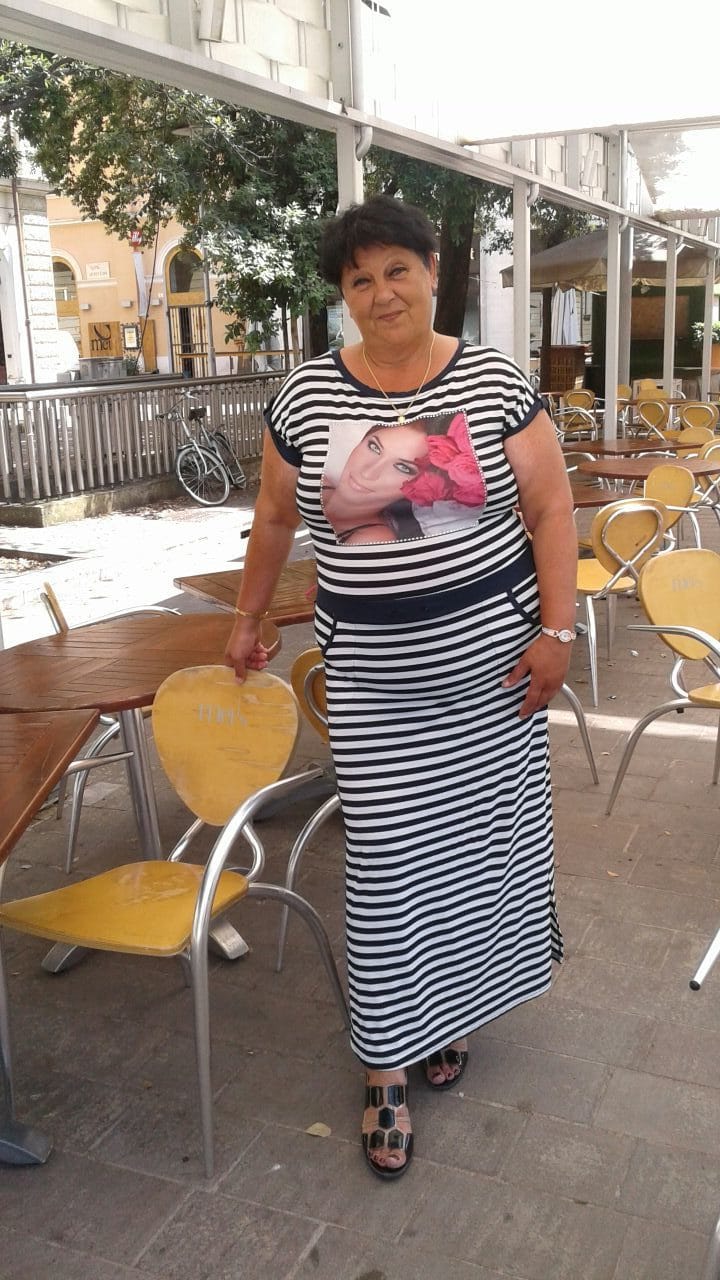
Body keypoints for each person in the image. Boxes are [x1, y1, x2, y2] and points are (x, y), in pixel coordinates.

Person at [224, 193, 578, 1182]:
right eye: (359, 279)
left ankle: (448, 1012)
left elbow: (552, 508)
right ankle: (385, 1060)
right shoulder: (307, 395)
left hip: (493, 676)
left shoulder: (493, 380)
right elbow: (274, 517)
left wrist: (558, 631)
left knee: (474, 850)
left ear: (430, 273)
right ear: (343, 296)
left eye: (397, 271)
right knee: (384, 864)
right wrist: (248, 615)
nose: (381, 292)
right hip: (374, 683)